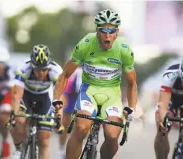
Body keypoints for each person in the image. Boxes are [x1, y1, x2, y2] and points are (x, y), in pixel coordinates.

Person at [52, 9, 138, 159]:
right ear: (97, 31)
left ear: (117, 32)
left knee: (112, 135)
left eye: (111, 31)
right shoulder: (86, 43)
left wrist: (131, 108)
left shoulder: (124, 49)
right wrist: (57, 97)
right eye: (103, 30)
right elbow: (65, 74)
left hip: (111, 95)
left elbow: (132, 83)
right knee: (81, 128)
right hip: (89, 91)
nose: (107, 35)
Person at [10, 44, 63, 159]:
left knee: (44, 140)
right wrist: (13, 115)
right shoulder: (24, 68)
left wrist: (58, 118)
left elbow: (59, 97)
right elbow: (16, 95)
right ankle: (19, 148)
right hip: (26, 96)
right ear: (32, 65)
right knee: (19, 120)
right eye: (38, 69)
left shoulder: (56, 71)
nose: (41, 73)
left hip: (44, 98)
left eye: (44, 69)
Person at [58, 67, 82, 159]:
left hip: (85, 99)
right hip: (72, 99)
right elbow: (66, 91)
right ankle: (61, 149)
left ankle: (82, 147)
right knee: (65, 124)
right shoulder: (76, 73)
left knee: (82, 125)